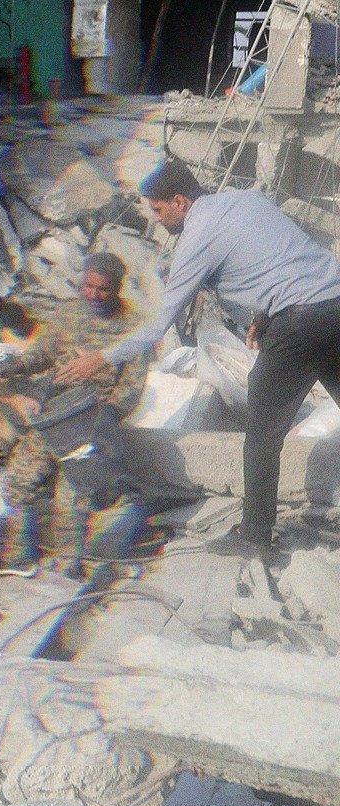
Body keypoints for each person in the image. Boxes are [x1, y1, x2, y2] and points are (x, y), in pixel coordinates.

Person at [57, 161, 340, 552]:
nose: (157, 221)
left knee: (261, 435)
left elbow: (160, 323)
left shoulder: (197, 236)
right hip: (334, 302)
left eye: (158, 210)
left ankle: (255, 536)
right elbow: (276, 260)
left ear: (179, 202)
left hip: (298, 323)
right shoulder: (248, 200)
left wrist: (103, 358)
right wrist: (264, 313)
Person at [0, 254, 151, 567]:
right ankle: (19, 558)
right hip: (53, 416)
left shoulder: (134, 329)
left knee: (72, 501)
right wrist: (14, 365)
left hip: (91, 425)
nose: (92, 294)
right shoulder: (68, 313)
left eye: (102, 290)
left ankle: (68, 567)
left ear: (118, 289)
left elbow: (131, 390)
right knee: (18, 483)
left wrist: (102, 417)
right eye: (88, 286)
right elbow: (42, 354)